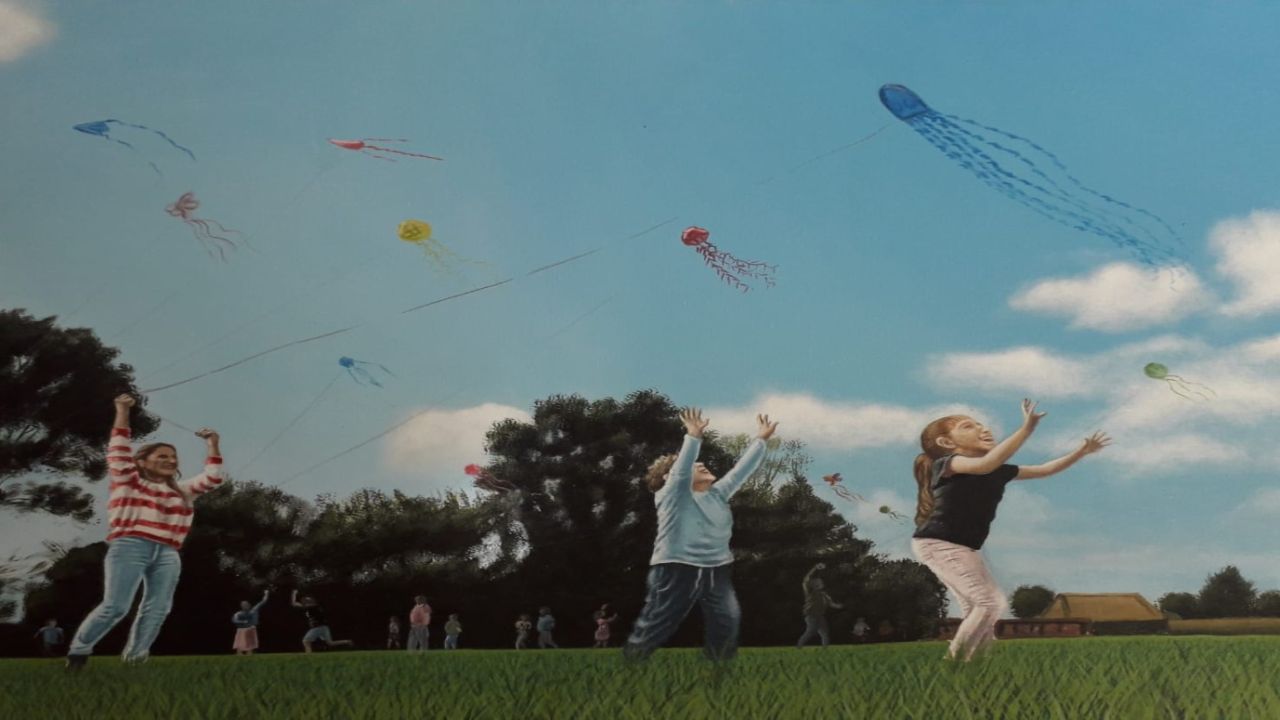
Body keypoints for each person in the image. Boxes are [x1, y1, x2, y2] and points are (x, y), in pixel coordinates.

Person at [912, 399, 1109, 662]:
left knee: (978, 606)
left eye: (982, 425)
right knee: (990, 603)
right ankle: (955, 663)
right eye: (969, 426)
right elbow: (985, 465)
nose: (983, 429)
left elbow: (1045, 470)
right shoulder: (949, 464)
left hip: (962, 546)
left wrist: (1081, 452)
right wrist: (1026, 429)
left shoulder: (998, 471)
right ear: (947, 443)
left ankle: (975, 664)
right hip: (939, 543)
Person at [66, 394, 225, 670]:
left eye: (173, 457)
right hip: (130, 546)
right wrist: (122, 409)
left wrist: (213, 443)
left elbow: (213, 478)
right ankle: (80, 649)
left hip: (168, 552)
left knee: (158, 608)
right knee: (116, 606)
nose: (170, 460)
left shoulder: (183, 491)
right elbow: (118, 449)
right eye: (162, 456)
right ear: (143, 461)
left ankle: (135, 658)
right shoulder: (129, 481)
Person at [622, 408, 777, 662]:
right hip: (676, 567)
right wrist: (693, 436)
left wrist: (761, 439)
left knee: (727, 619)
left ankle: (716, 668)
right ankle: (631, 662)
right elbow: (680, 472)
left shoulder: (717, 494)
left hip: (717, 568)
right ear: (669, 477)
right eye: (696, 464)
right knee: (660, 620)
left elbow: (741, 471)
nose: (702, 463)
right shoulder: (673, 495)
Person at [796, 563, 842, 648]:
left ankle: (825, 649)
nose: (821, 582)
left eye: (821, 581)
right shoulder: (810, 592)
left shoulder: (824, 595)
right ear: (813, 584)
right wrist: (815, 568)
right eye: (819, 581)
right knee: (811, 631)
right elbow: (806, 579)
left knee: (824, 632)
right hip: (811, 615)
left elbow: (831, 603)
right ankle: (799, 646)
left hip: (820, 616)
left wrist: (839, 606)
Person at [231, 591, 270, 655]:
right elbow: (234, 620)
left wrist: (266, 594)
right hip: (241, 630)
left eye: (246, 604)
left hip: (251, 629)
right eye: (243, 605)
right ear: (241, 606)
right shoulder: (238, 613)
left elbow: (263, 602)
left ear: (249, 605)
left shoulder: (254, 610)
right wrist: (242, 622)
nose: (245, 606)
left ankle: (249, 655)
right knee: (240, 646)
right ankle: (239, 656)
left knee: (250, 646)